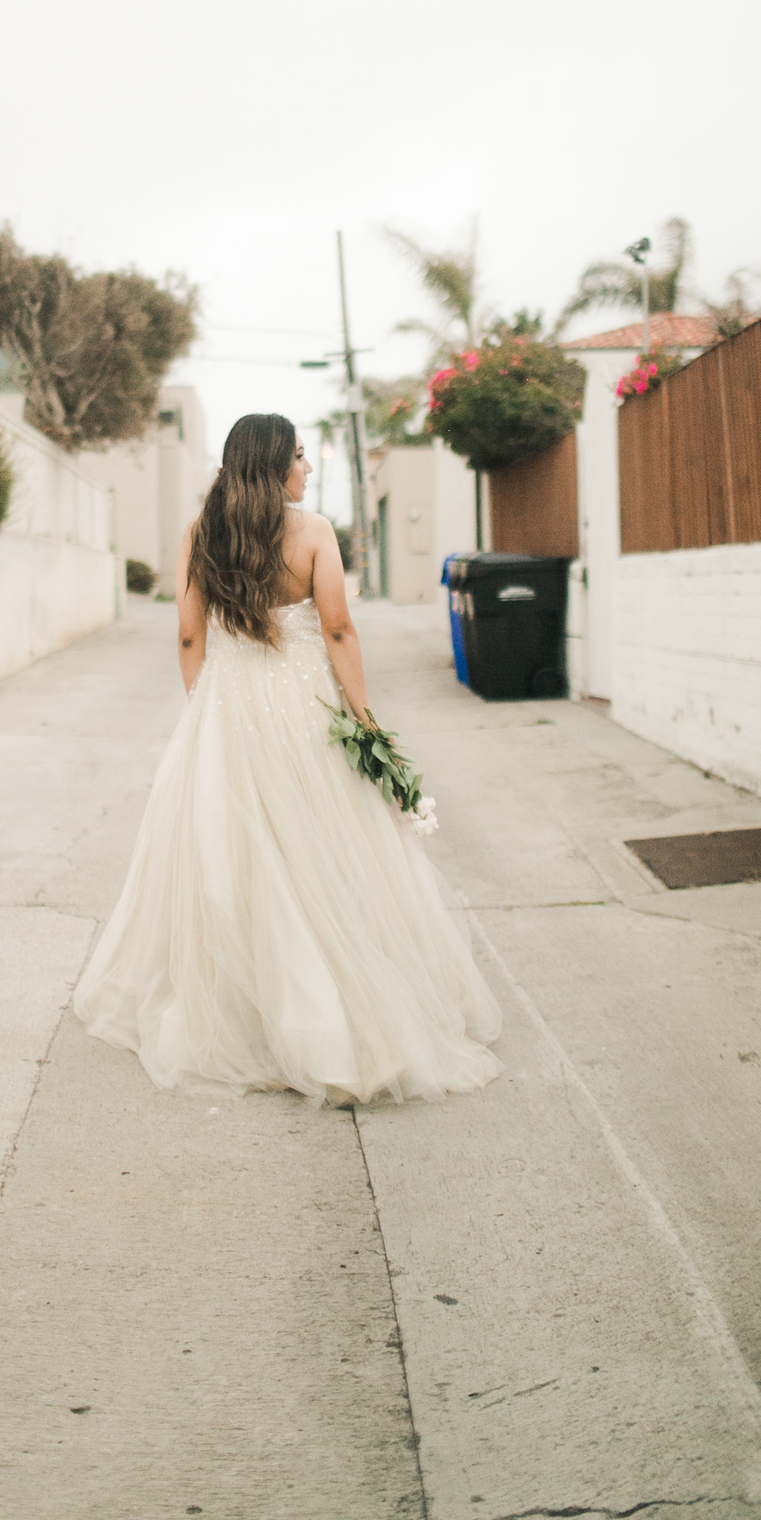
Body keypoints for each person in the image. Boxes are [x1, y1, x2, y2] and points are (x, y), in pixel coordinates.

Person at [73, 412, 502, 1104]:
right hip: (303, 705)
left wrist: (202, 706)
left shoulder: (199, 534)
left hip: (229, 707)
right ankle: (336, 1009)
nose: (305, 469)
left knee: (235, 858)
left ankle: (251, 1007)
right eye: (299, 457)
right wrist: (366, 721)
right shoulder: (313, 533)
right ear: (274, 466)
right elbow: (336, 626)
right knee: (326, 849)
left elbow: (189, 635)